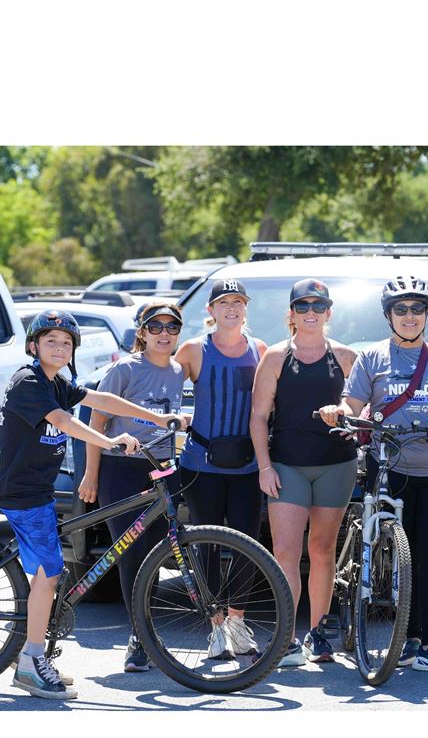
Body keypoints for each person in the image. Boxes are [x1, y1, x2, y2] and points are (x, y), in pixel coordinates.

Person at [0, 310, 182, 699]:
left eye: (66, 343)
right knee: (49, 572)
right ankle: (30, 662)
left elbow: (102, 399)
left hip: (37, 490)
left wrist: (157, 418)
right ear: (33, 347)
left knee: (49, 572)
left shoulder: (57, 381)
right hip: (21, 493)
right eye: (50, 341)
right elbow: (62, 421)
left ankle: (29, 647)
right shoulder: (29, 381)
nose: (59, 348)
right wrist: (109, 441)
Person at [330, 275, 428, 675]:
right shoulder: (372, 358)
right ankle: (407, 640)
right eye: (401, 309)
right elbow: (351, 403)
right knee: (400, 558)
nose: (409, 316)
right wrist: (341, 414)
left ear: (427, 314)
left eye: (417, 309)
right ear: (388, 315)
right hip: (390, 467)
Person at [249, 278, 361, 669]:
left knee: (322, 549)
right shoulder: (275, 357)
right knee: (285, 551)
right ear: (291, 314)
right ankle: (285, 638)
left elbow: (362, 409)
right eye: (302, 306)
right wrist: (264, 466)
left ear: (329, 312)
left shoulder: (346, 357)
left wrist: (351, 418)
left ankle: (319, 633)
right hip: (286, 465)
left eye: (318, 306)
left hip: (336, 464)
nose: (310, 313)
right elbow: (258, 416)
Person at [83, 300, 191, 673]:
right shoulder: (124, 369)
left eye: (172, 327)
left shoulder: (178, 371)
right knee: (131, 553)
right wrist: (91, 474)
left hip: (161, 469)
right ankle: (138, 638)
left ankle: (145, 633)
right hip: (121, 470)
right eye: (155, 327)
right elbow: (97, 421)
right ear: (142, 332)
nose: (164, 334)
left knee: (155, 556)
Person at [173, 279, 268, 666]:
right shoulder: (194, 349)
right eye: (224, 302)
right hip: (202, 465)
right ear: (210, 310)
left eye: (238, 302)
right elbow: (162, 388)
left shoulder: (260, 350)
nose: (232, 308)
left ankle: (237, 623)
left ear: (246, 308)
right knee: (206, 546)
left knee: (247, 544)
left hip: (247, 466)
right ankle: (215, 628)